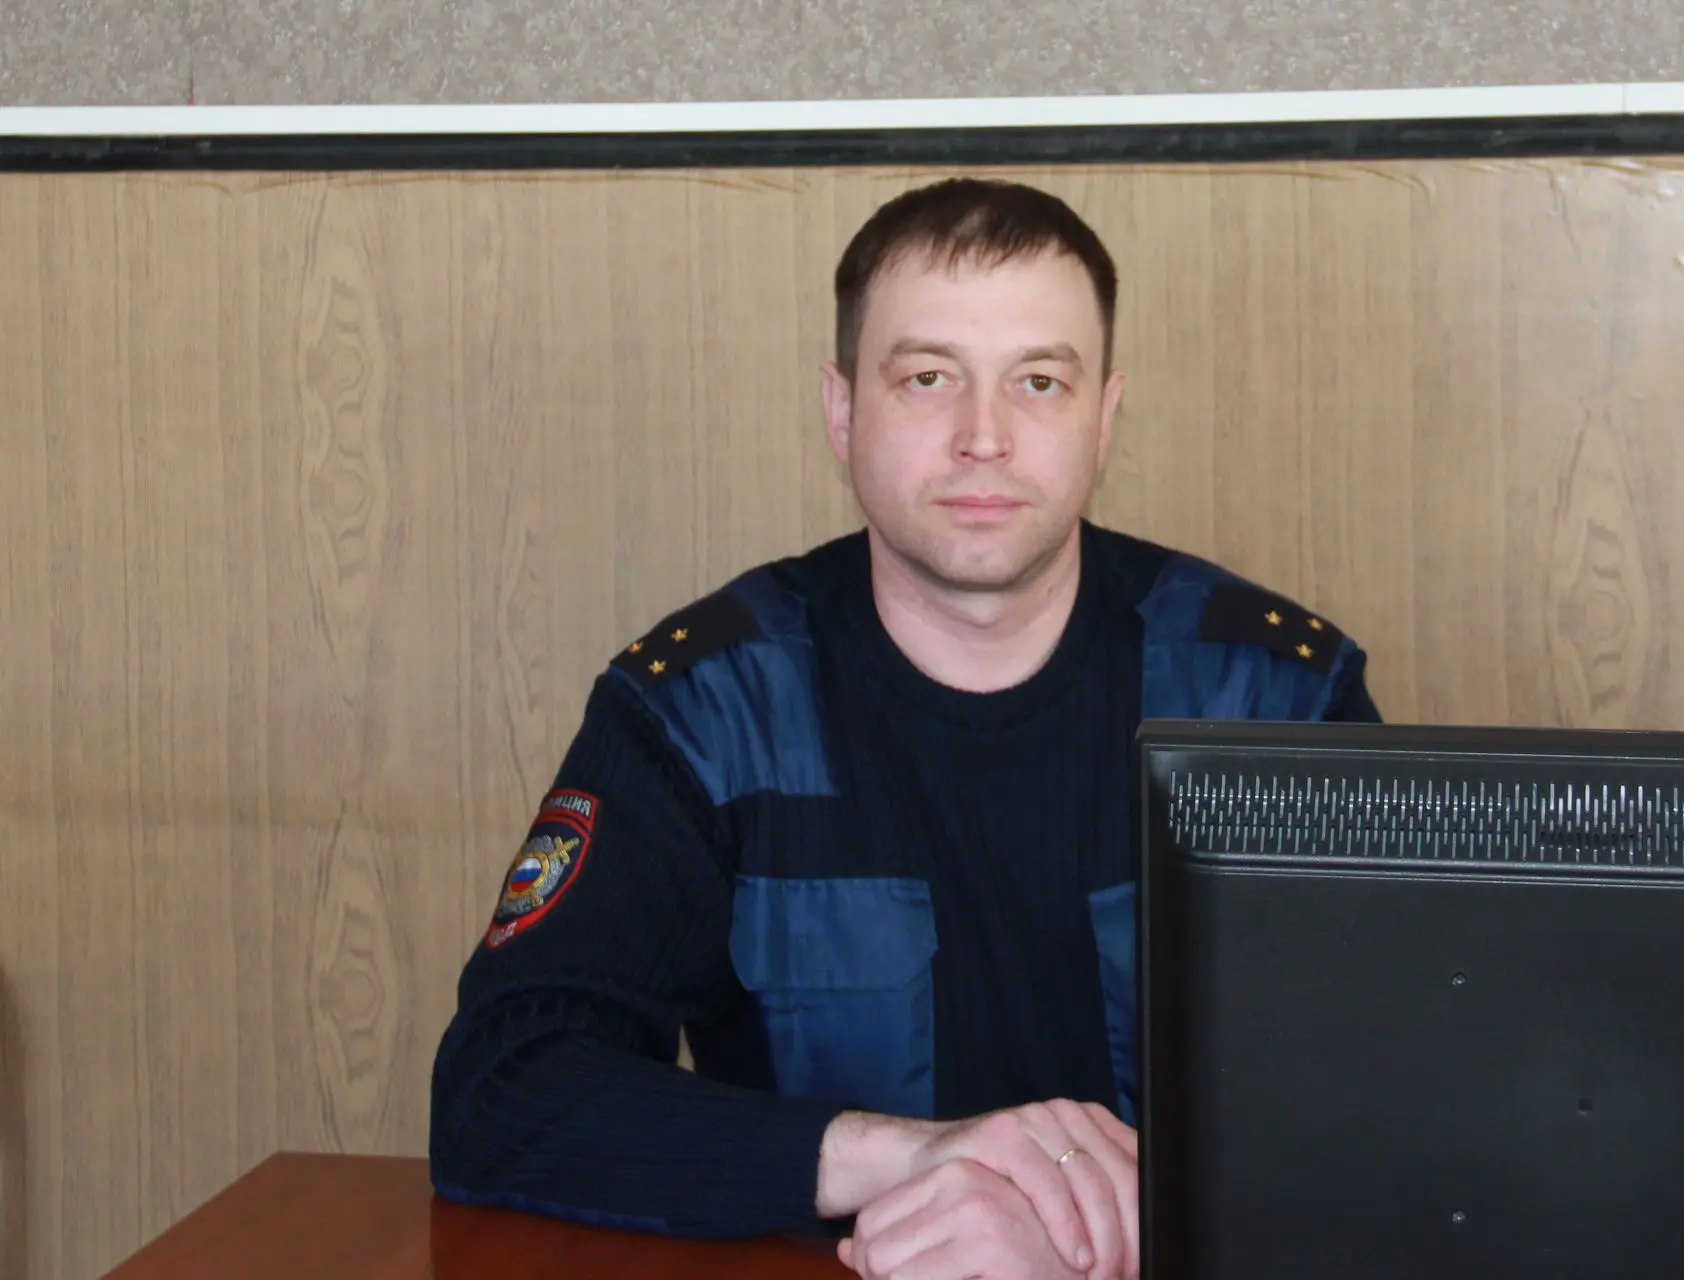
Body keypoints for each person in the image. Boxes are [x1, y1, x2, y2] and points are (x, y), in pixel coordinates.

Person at [429, 176, 1380, 1280]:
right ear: (841, 412)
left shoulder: (1273, 698)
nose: (984, 437)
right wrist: (911, 1159)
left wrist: (1118, 1220)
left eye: (1039, 381)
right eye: (928, 378)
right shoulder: (705, 708)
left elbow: (1409, 1086)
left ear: (1104, 417)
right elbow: (502, 1087)